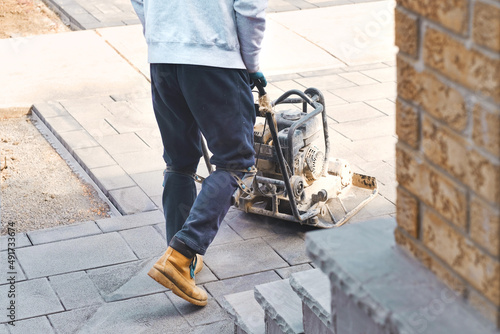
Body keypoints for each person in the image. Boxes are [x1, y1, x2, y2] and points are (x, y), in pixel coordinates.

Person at [130, 0, 268, 306]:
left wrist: (160, 37)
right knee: (236, 164)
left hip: (163, 59)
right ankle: (180, 257)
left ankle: (177, 256)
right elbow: (250, 9)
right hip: (215, 60)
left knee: (179, 161)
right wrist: (250, 64)